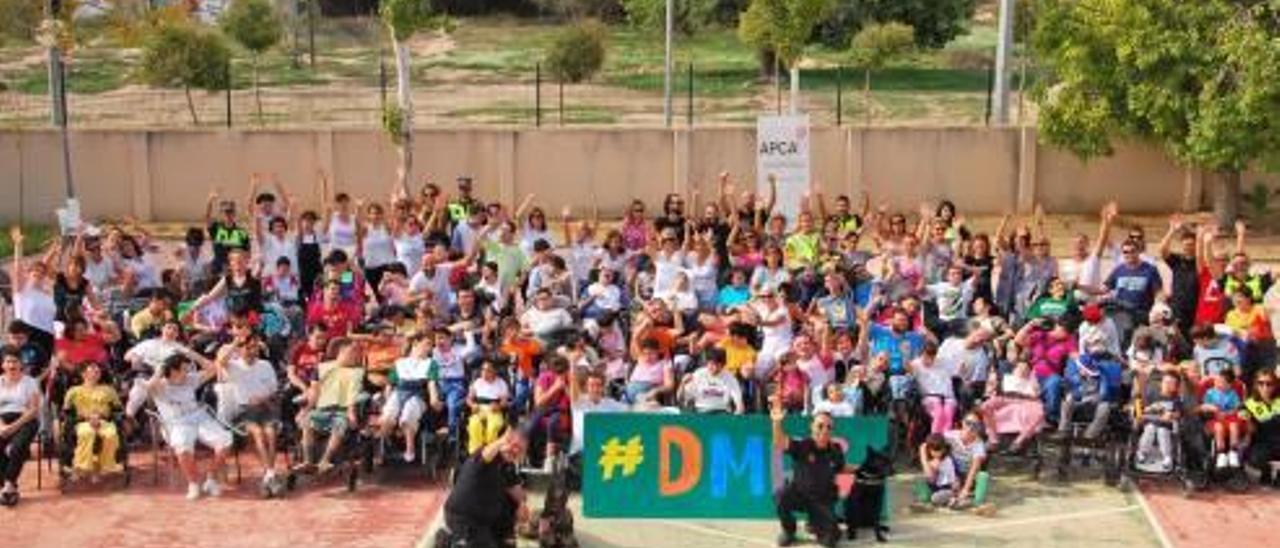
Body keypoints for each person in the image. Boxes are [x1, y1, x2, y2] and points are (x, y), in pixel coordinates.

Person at [146, 345, 234, 500]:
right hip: (177, 423)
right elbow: (149, 388)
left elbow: (214, 368)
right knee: (183, 446)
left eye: (188, 369)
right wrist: (159, 370)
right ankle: (193, 483)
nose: (187, 373)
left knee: (225, 440)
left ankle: (211, 478)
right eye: (184, 370)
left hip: (198, 417)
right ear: (172, 371)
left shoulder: (190, 379)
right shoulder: (160, 385)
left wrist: (192, 355)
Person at [441, 425, 530, 548]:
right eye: (513, 445)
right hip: (464, 519)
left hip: (484, 521)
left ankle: (503, 540)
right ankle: (450, 541)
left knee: (511, 503)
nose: (515, 451)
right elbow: (485, 455)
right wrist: (501, 442)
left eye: (520, 449)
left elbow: (517, 491)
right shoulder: (486, 455)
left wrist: (522, 504)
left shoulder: (508, 467)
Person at [771, 402, 845, 548]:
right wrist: (777, 422)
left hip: (822, 501)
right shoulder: (803, 445)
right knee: (780, 495)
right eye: (820, 425)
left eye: (829, 427)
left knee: (830, 542)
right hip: (799, 495)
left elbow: (841, 468)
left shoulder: (836, 450)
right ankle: (789, 531)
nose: (824, 430)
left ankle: (815, 523)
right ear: (811, 427)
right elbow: (779, 442)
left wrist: (864, 468)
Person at [379, 336, 439, 462]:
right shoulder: (399, 362)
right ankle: (386, 445)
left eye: (431, 346)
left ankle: (410, 449)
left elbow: (431, 383)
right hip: (399, 392)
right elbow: (390, 384)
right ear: (415, 343)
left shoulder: (431, 363)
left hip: (418, 393)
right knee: (388, 415)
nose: (429, 348)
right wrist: (387, 400)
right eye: (427, 344)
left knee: (408, 414)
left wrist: (434, 399)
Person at [62, 361, 123, 480]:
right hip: (83, 421)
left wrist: (102, 416)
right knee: (87, 433)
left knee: (111, 435)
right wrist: (86, 417)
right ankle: (82, 467)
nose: (97, 372)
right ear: (83, 374)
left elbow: (118, 408)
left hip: (103, 420)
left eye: (98, 371)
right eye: (93, 370)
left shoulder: (108, 390)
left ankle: (105, 466)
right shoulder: (73, 391)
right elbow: (66, 411)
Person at [0, 346, 40, 506]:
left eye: (15, 361)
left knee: (17, 448)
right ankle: (9, 486)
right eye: (8, 361)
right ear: (2, 364)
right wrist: (2, 426)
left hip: (25, 419)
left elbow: (33, 409)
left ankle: (8, 485)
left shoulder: (30, 382)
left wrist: (14, 426)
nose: (11, 365)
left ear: (21, 363)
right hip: (2, 420)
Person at [1242, 371, 1280, 487]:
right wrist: (1247, 422)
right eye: (1261, 383)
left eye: (1269, 384)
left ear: (1275, 385)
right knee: (1254, 459)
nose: (1265, 387)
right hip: (1262, 444)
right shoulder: (1248, 404)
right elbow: (1248, 429)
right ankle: (1266, 472)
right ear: (1255, 385)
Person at [678, 348, 744, 414]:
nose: (714, 368)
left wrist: (736, 417)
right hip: (701, 411)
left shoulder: (730, 378)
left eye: (718, 365)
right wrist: (682, 384)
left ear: (723, 365)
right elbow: (680, 398)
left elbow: (739, 404)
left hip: (722, 412)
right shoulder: (698, 374)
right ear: (707, 363)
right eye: (712, 364)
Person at [467, 359, 511, 454]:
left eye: (487, 370)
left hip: (494, 409)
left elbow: (505, 402)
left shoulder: (501, 383)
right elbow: (469, 399)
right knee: (474, 424)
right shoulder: (477, 382)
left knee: (493, 426)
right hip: (479, 408)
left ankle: (490, 451)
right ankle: (475, 453)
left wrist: (498, 406)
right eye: (483, 369)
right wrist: (472, 405)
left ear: (494, 371)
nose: (484, 372)